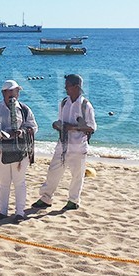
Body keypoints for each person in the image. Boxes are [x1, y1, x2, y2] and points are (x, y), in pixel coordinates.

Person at [32, 74, 96, 211]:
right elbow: (60, 121)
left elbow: (91, 128)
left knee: (77, 175)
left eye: (67, 85)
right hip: (62, 144)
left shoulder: (86, 105)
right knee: (53, 171)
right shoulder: (64, 103)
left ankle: (73, 201)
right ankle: (46, 198)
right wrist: (57, 125)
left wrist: (72, 127)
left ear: (76, 87)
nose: (65, 88)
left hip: (78, 146)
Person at [0, 80, 37, 220]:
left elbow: (33, 127)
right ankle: (3, 212)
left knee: (19, 181)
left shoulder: (24, 109)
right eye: (11, 91)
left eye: (16, 91)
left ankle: (20, 212)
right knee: (4, 181)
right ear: (4, 93)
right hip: (0, 150)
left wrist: (21, 132)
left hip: (20, 149)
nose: (14, 94)